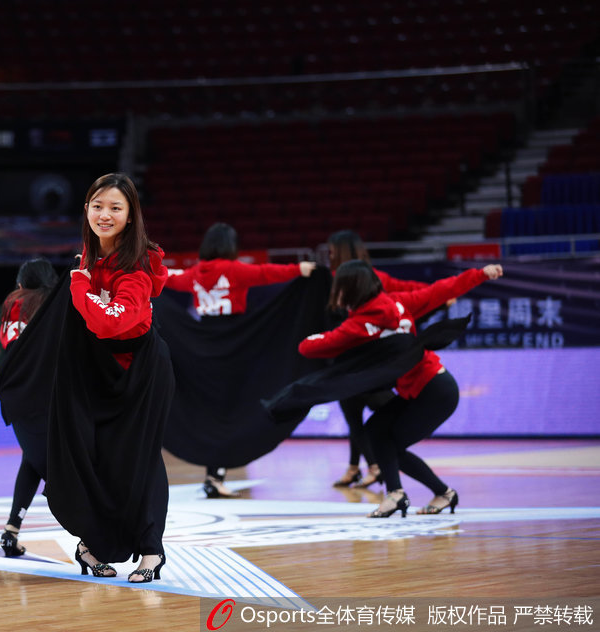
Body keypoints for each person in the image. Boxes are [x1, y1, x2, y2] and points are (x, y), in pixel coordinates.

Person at [298, 260, 504, 517]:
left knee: (389, 445)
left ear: (349, 289)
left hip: (433, 392)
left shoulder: (359, 323)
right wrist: (480, 274)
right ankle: (417, 494)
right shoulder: (398, 302)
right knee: (375, 431)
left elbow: (312, 347)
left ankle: (419, 494)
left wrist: (304, 336)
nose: (335, 293)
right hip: (430, 386)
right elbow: (442, 289)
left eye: (338, 287)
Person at [44, 173, 174, 583]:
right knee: (94, 460)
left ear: (131, 216)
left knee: (140, 460)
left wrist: (79, 286)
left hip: (139, 373)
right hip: (98, 372)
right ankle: (92, 545)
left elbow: (106, 324)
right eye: (98, 205)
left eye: (116, 208)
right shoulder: (90, 253)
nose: (105, 214)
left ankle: (151, 551)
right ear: (86, 209)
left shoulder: (133, 270)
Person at [164, 222, 315, 497]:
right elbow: (267, 273)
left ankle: (214, 476)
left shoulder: (196, 273)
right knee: (233, 410)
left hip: (202, 344)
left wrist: (134, 272)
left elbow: (167, 279)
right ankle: (216, 475)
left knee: (212, 412)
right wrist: (300, 270)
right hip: (235, 342)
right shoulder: (234, 269)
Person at [325, 230, 430, 490]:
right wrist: (438, 295)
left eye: (330, 251)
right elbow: (412, 290)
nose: (327, 256)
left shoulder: (334, 280)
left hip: (352, 360)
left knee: (358, 418)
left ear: (340, 252)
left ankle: (375, 466)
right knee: (355, 416)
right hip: (372, 359)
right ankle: (355, 468)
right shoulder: (376, 276)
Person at [0, 258, 59, 557]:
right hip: (42, 389)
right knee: (62, 465)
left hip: (13, 389)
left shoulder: (11, 301)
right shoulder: (53, 303)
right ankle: (91, 535)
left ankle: (11, 529)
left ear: (22, 283)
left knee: (32, 459)